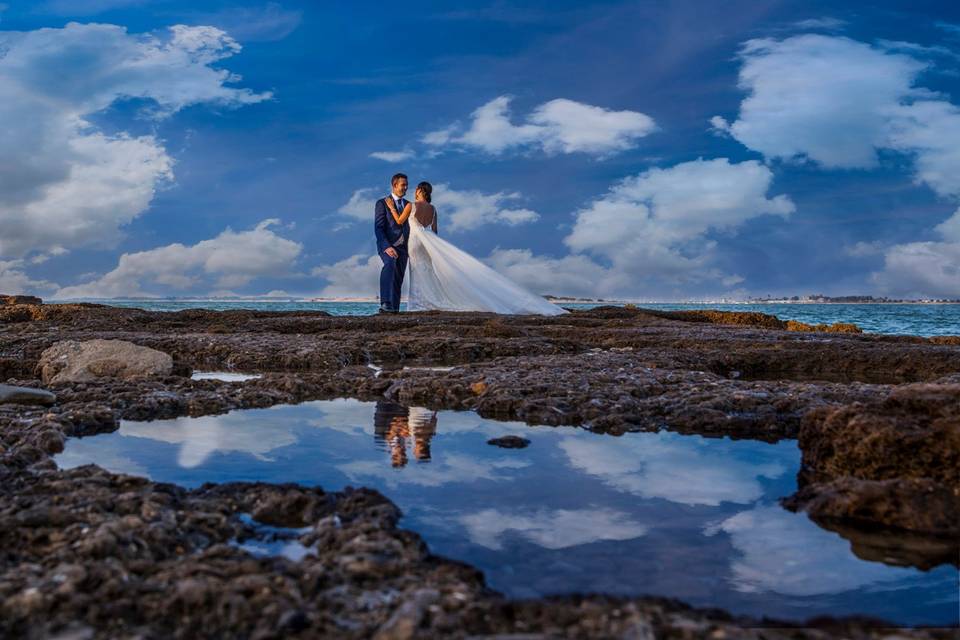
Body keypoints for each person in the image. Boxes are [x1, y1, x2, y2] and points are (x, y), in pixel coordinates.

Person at [384, 181, 566, 315]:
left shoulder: (411, 205)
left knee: (417, 269)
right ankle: (425, 300)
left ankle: (419, 303)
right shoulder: (433, 208)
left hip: (415, 241)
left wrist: (392, 207)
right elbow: (435, 230)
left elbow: (400, 222)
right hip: (428, 240)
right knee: (427, 270)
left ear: (418, 191)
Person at [374, 173, 410, 313]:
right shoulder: (382, 203)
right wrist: (387, 246)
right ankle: (385, 303)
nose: (406, 188)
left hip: (404, 247)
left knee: (399, 278)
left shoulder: (408, 205)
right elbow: (378, 227)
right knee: (389, 264)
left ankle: (394, 308)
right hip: (387, 245)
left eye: (406, 185)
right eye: (403, 185)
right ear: (394, 185)